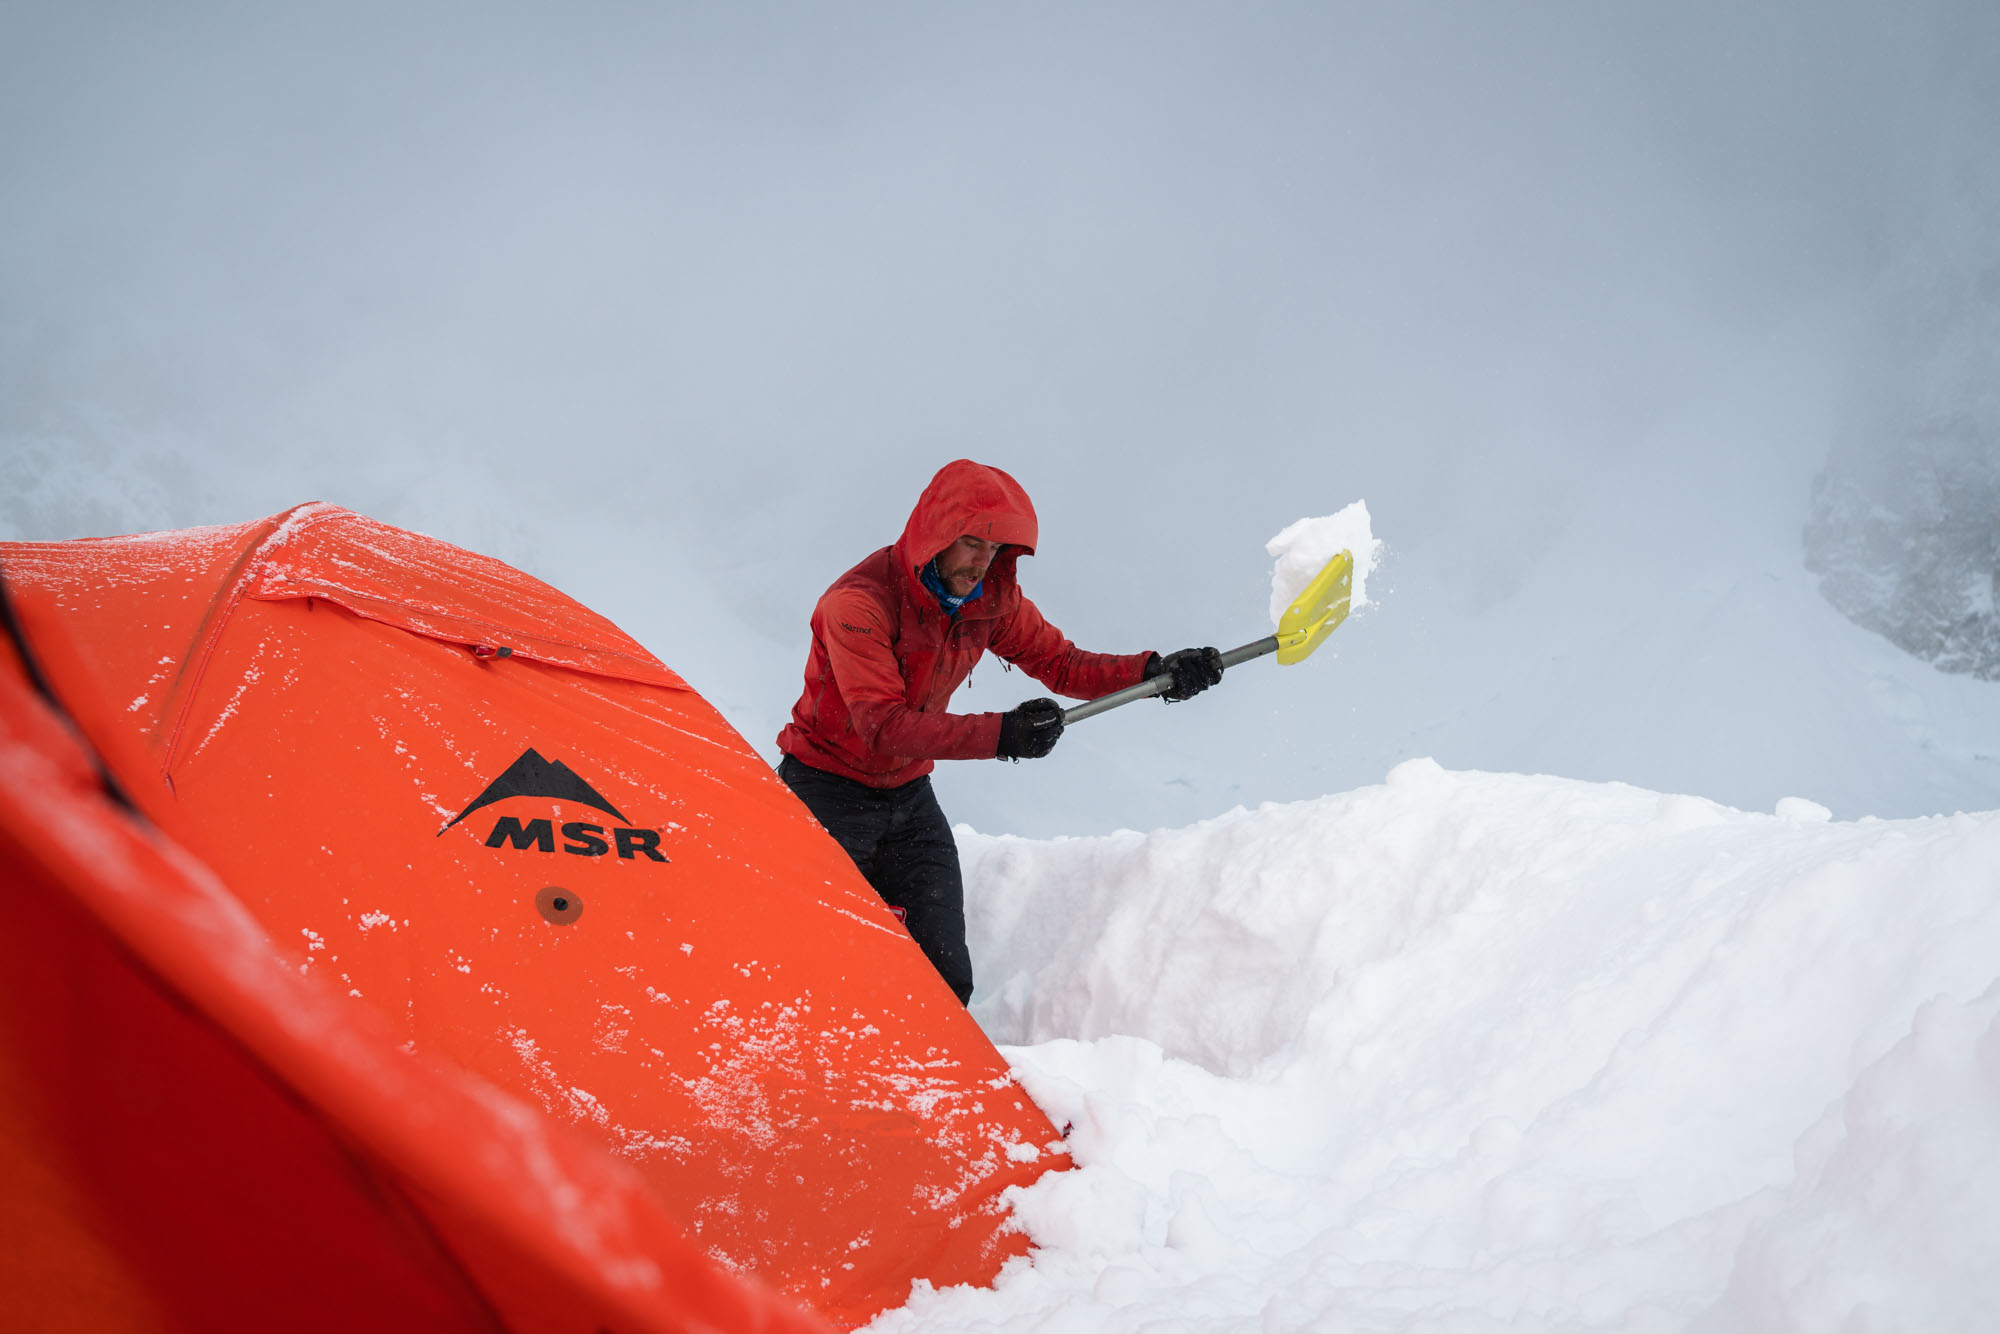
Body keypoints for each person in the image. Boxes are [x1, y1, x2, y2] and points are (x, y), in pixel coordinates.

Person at [776, 459, 1223, 1004]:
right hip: (825, 792)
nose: (980, 562)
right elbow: (882, 726)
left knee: (942, 979)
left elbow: (1064, 664)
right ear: (933, 534)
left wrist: (1153, 672)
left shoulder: (990, 601)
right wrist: (1001, 735)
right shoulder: (858, 604)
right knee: (821, 965)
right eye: (969, 543)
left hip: (908, 800)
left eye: (993, 550)